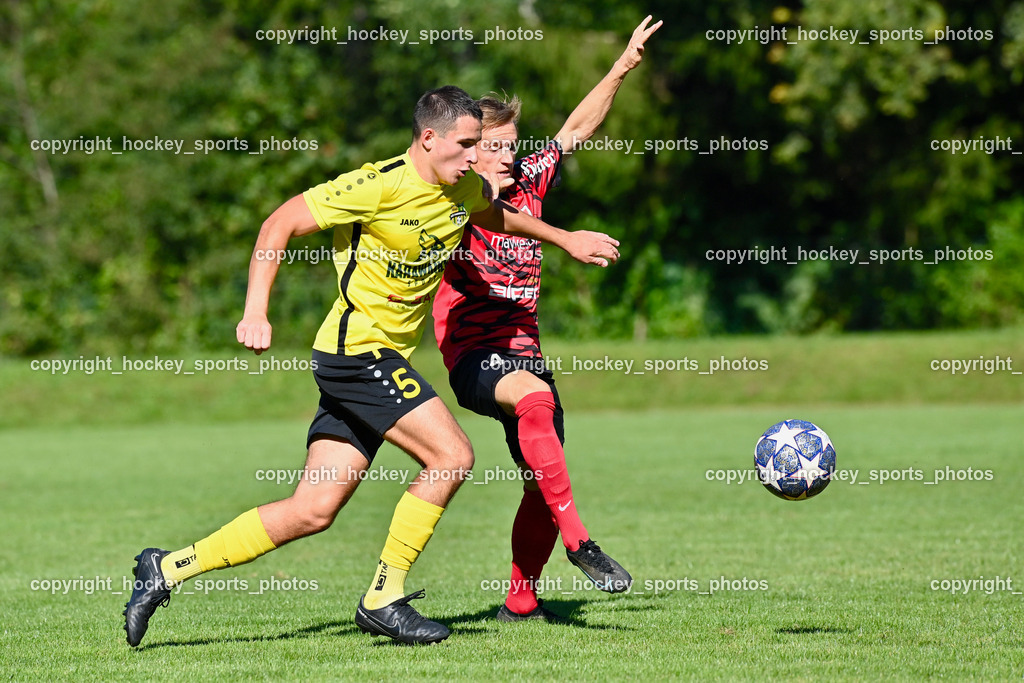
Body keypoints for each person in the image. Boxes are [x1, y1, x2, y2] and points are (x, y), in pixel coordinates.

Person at [122, 85, 620, 647]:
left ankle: (165, 569)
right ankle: (384, 597)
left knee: (312, 510)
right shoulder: (375, 184)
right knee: (452, 455)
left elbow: (500, 216)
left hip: (374, 361)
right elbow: (277, 225)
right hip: (357, 354)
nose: (475, 157)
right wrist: (255, 312)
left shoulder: (463, 187)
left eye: (478, 145)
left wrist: (564, 239)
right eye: (465, 145)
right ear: (428, 139)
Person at [432, 16, 661, 621]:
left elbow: (577, 129)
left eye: (513, 143)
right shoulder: (451, 198)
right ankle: (582, 542)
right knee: (534, 403)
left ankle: (521, 598)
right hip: (473, 355)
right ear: (468, 151)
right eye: (496, 146)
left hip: (525, 351)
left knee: (542, 475)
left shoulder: (530, 180)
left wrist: (621, 66)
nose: (511, 155)